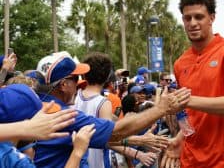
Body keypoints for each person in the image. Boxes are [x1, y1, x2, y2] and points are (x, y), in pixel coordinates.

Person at [33, 52, 191, 168]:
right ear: (63, 85)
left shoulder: (36, 106)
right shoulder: (64, 114)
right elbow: (114, 132)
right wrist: (161, 108)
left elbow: (107, 135)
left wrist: (137, 141)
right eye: (75, 79)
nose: (79, 83)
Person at [161, 0, 224, 168]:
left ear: (211, 18)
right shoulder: (181, 63)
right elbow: (188, 116)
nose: (193, 23)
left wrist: (185, 100)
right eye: (187, 18)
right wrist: (180, 138)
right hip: (190, 161)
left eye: (199, 17)